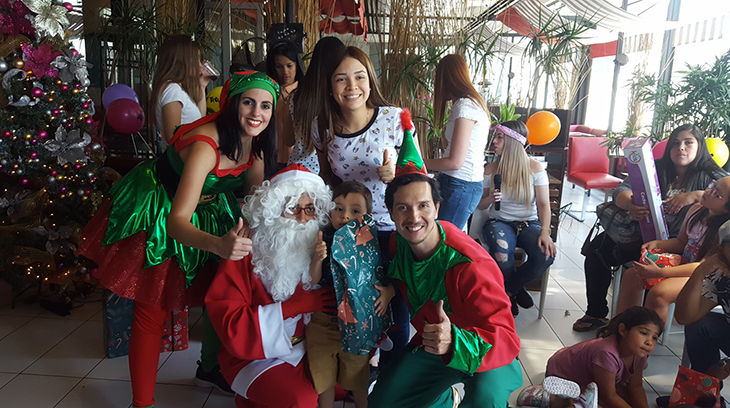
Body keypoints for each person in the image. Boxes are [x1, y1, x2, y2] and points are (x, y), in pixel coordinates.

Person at [77, 70, 278, 408]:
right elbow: (176, 223)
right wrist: (219, 245)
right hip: (160, 207)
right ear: (231, 104)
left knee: (221, 291)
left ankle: (210, 368)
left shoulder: (256, 145)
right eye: (248, 102)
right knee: (152, 307)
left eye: (266, 105)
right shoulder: (205, 147)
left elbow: (254, 201)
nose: (257, 113)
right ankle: (142, 403)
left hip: (211, 207)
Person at [368, 124, 522, 408]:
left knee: (485, 401)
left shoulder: (471, 265)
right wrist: (391, 288)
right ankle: (446, 399)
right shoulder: (398, 243)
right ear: (391, 213)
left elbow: (506, 337)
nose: (414, 217)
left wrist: (455, 342)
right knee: (383, 402)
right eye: (403, 207)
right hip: (433, 343)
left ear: (437, 209)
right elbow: (405, 273)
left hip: (486, 347)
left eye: (423, 206)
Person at [205, 164, 338, 408]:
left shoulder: (320, 245)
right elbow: (230, 321)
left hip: (310, 348)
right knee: (302, 401)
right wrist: (291, 308)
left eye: (310, 209)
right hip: (256, 356)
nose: (302, 218)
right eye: (292, 208)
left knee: (345, 383)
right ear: (273, 210)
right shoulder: (245, 250)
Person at [313, 45, 414, 366]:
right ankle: (358, 374)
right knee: (353, 305)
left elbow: (420, 175)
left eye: (359, 77)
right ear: (330, 86)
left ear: (370, 81)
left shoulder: (394, 119)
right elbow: (327, 179)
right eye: (341, 79)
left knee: (394, 306)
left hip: (391, 229)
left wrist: (396, 174)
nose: (351, 86)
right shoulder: (322, 126)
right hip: (349, 231)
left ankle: (392, 376)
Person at [574, 124, 727, 332]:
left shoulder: (712, 175)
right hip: (641, 233)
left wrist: (694, 195)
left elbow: (725, 194)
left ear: (700, 146)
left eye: (688, 143)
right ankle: (600, 315)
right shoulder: (656, 166)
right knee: (597, 249)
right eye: (675, 143)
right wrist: (631, 204)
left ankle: (643, 332)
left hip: (680, 247)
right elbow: (622, 189)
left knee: (643, 270)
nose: (681, 148)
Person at [307, 180, 395, 408]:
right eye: (338, 208)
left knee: (358, 377)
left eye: (355, 211)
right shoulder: (323, 239)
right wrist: (317, 258)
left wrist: (389, 291)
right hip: (323, 323)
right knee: (323, 376)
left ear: (368, 216)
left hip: (358, 323)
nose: (345, 215)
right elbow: (313, 280)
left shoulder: (373, 243)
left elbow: (389, 274)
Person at [615, 176, 730, 323]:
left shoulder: (723, 231)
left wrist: (660, 272)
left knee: (660, 292)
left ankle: (648, 334)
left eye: (716, 194)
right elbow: (681, 242)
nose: (708, 191)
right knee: (633, 274)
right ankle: (622, 328)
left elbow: (702, 267)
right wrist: (658, 244)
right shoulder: (697, 209)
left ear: (727, 209)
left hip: (703, 277)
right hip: (685, 265)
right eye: (712, 185)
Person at [475, 120, 556, 316]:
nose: (494, 142)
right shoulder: (490, 169)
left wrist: (545, 232)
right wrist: (489, 198)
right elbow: (481, 205)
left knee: (546, 255)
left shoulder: (535, 168)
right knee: (502, 254)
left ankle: (509, 292)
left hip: (529, 223)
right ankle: (516, 291)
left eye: (499, 137)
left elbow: (543, 204)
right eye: (495, 137)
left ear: (513, 141)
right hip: (498, 222)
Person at [518, 306, 663, 408]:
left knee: (626, 395)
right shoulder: (607, 353)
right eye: (644, 333)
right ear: (623, 330)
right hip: (562, 373)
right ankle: (547, 397)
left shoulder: (640, 353)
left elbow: (636, 387)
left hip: (588, 375)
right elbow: (608, 396)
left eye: (654, 337)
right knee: (598, 403)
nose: (649, 342)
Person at [422, 54, 491, 230]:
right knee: (443, 236)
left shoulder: (465, 105)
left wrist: (418, 162)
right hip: (458, 183)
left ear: (446, 79)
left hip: (461, 184)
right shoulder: (469, 104)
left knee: (444, 239)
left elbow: (455, 162)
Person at [676, 218, 730, 390]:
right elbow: (685, 316)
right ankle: (703, 394)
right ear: (721, 252)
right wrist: (699, 272)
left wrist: (725, 367)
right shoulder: (721, 275)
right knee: (700, 324)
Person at [279, 36, 346, 174]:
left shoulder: (295, 97)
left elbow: (288, 140)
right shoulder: (339, 98)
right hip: (328, 173)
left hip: (297, 171)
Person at [149, 34, 209, 146]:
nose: (200, 64)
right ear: (183, 60)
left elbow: (199, 122)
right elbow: (172, 136)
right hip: (183, 155)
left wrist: (202, 86)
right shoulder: (172, 90)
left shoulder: (176, 88)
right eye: (196, 58)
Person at [266, 41, 305, 169]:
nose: (285, 72)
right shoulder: (267, 92)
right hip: (269, 157)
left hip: (298, 160)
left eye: (289, 66)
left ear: (297, 65)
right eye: (279, 66)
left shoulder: (304, 93)